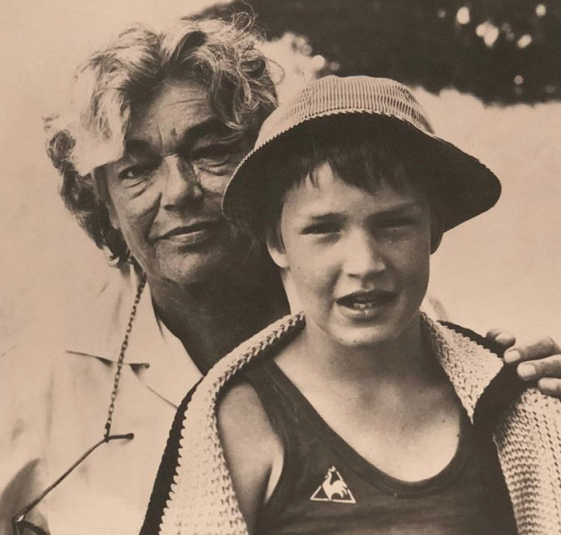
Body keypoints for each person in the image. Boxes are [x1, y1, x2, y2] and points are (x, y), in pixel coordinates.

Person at [0, 17, 559, 535]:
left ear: (270, 172)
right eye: (135, 170)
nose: (178, 192)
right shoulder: (33, 387)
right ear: (101, 201)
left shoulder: (401, 324)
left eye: (210, 151)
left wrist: (535, 401)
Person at [154, 76, 561, 535]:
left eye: (393, 224)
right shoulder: (242, 421)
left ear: (434, 231)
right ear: (277, 242)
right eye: (325, 229)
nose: (365, 264)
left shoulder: (507, 403)